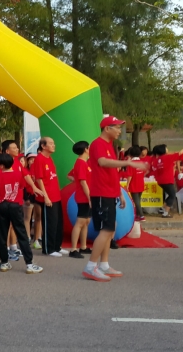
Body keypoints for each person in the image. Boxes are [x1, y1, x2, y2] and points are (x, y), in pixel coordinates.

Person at [82, 116, 148, 282]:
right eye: (117, 127)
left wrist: (119, 191)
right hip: (101, 193)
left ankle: (104, 265)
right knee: (106, 230)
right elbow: (103, 162)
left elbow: (111, 172)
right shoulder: (98, 144)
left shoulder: (110, 146)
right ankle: (91, 267)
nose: (120, 131)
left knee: (110, 229)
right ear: (107, 128)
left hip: (110, 192)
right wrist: (129, 164)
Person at [0, 154, 43, 274]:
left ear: (2, 165)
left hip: (2, 204)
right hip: (15, 205)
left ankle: (4, 262)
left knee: (2, 234)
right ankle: (29, 264)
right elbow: (21, 186)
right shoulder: (18, 174)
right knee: (21, 233)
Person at [32, 137, 66, 258]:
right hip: (48, 197)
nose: (53, 145)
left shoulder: (49, 159)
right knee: (50, 223)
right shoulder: (39, 159)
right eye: (51, 143)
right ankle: (48, 249)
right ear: (43, 146)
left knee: (58, 223)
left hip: (56, 196)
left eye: (53, 143)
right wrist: (46, 197)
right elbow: (39, 179)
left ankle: (57, 246)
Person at [69, 141, 92, 259]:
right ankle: (73, 249)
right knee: (80, 222)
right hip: (83, 197)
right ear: (86, 149)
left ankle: (83, 246)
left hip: (86, 196)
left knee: (86, 221)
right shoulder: (80, 163)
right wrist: (89, 198)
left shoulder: (85, 163)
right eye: (89, 147)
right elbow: (83, 182)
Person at [151, 144, 183, 219]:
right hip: (167, 180)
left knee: (170, 194)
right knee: (172, 195)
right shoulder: (167, 157)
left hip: (160, 181)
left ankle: (162, 208)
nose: (167, 149)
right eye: (166, 148)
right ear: (163, 150)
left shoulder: (157, 160)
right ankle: (165, 213)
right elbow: (180, 153)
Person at [125, 146, 146, 222]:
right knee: (138, 200)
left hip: (134, 184)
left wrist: (127, 185)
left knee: (136, 201)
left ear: (130, 154)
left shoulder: (131, 164)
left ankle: (141, 215)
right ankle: (137, 215)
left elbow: (130, 175)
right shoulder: (141, 162)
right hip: (141, 183)